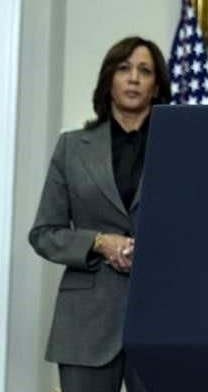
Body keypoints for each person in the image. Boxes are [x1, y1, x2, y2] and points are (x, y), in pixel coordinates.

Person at [29, 36, 171, 392]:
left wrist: (152, 250)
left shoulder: (178, 147)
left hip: (160, 316)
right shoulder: (72, 147)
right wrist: (99, 242)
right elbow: (45, 232)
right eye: (124, 69)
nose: (134, 78)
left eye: (145, 70)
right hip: (85, 322)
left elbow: (196, 229)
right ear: (109, 79)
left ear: (157, 87)